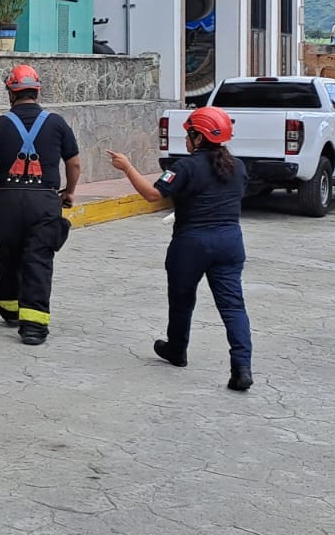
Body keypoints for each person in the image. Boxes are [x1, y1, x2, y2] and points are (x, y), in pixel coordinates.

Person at [107, 106, 254, 391]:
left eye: (188, 134)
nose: (185, 139)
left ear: (198, 138)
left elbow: (152, 195)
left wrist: (127, 167)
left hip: (192, 243)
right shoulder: (239, 166)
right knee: (233, 306)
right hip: (230, 242)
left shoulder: (184, 167)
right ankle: (242, 367)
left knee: (182, 299)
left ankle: (177, 349)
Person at [0, 65, 81, 346]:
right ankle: (33, 327)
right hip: (43, 201)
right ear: (37, 91)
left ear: (11, 92)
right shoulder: (57, 123)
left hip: (6, 200)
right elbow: (74, 162)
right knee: (38, 261)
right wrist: (70, 192)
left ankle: (10, 310)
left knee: (9, 254)